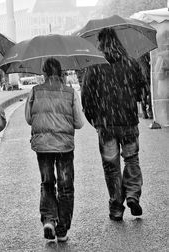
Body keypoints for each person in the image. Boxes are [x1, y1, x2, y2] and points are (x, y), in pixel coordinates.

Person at [81, 28, 146, 221]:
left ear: (100, 44)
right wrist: (131, 101)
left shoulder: (94, 66)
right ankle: (133, 195)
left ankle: (116, 207)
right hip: (128, 121)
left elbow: (86, 97)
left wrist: (94, 119)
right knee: (131, 159)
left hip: (106, 124)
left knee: (111, 167)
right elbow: (142, 91)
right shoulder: (131, 63)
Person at [25, 58, 84, 242]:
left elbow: (29, 118)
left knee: (47, 182)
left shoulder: (35, 91)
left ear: (44, 73)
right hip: (65, 146)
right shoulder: (70, 92)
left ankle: (49, 220)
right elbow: (79, 123)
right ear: (61, 73)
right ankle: (62, 229)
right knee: (65, 187)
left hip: (42, 146)